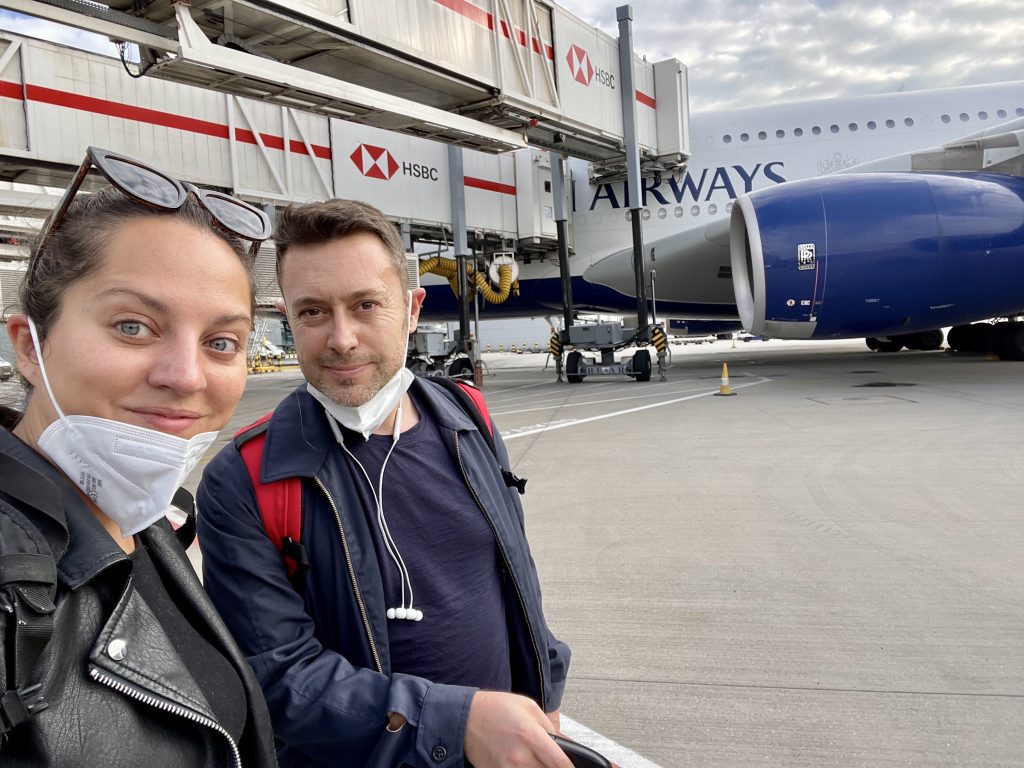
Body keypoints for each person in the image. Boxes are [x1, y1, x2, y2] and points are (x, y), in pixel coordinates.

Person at [197, 199, 573, 768]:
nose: (341, 338)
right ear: (287, 318)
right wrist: (460, 722)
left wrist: (545, 687)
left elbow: (515, 573)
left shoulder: (466, 415)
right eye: (313, 312)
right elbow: (276, 676)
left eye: (366, 305)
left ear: (412, 309)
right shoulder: (246, 478)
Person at [0, 147, 278, 767]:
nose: (186, 376)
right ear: (30, 346)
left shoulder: (143, 518)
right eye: (133, 326)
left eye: (221, 342)